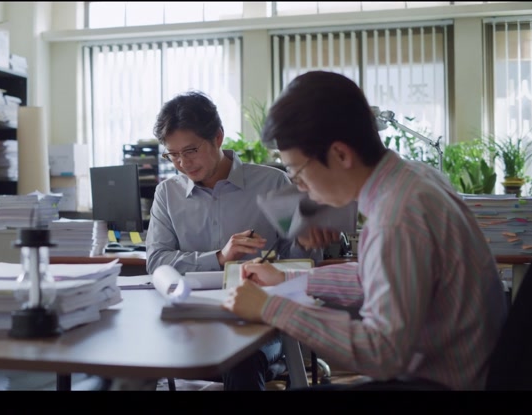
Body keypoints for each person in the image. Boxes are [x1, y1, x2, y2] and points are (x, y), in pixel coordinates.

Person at [223, 70, 509, 391]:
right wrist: (287, 278)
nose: (298, 186)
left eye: (296, 171)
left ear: (341, 154)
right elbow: (374, 277)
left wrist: (270, 307)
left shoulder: (396, 217)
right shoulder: (414, 178)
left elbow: (382, 352)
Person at [145, 90, 338, 391]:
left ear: (218, 137)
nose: (183, 162)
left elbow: (303, 266)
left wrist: (307, 240)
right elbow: (157, 262)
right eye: (173, 154)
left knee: (239, 358)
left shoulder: (272, 183)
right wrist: (220, 257)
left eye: (191, 150)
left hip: (260, 322)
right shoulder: (167, 193)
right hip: (192, 321)